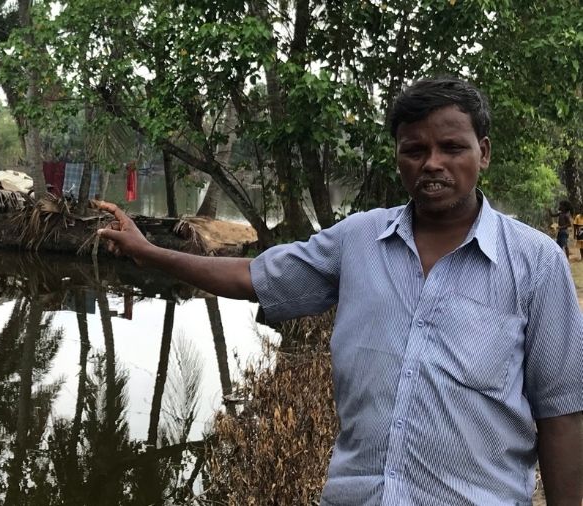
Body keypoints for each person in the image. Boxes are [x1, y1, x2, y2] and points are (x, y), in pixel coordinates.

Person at [95, 77, 582, 505]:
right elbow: (253, 277)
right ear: (398, 158)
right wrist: (151, 254)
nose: (432, 163)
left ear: (485, 152)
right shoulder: (359, 240)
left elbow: (561, 414)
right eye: (414, 150)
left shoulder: (536, 263)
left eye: (452, 148)